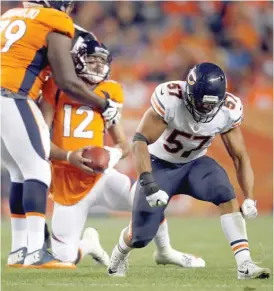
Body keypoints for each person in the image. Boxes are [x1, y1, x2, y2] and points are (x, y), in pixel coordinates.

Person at [41, 31, 205, 268]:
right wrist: (69, 156)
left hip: (100, 178)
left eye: (101, 62)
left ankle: (166, 251)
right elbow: (40, 140)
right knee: (64, 262)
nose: (97, 66)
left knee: (150, 197)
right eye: (91, 60)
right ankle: (89, 243)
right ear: (76, 60)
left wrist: (110, 156)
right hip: (67, 185)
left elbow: (123, 146)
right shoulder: (55, 87)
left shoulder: (110, 91)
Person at [108, 62, 271, 280]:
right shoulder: (171, 99)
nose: (205, 109)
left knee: (225, 192)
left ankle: (245, 264)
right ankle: (119, 253)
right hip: (159, 164)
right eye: (201, 103)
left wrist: (249, 198)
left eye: (211, 104)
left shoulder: (228, 110)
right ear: (189, 93)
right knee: (140, 236)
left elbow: (239, 156)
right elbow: (139, 141)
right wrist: (148, 181)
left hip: (195, 164)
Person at [1, 0, 120, 269]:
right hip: (12, 96)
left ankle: (19, 251)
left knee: (19, 173)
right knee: (37, 170)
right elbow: (66, 79)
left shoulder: (11, 14)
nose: (68, 11)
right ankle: (35, 253)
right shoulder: (55, 20)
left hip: (4, 92)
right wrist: (103, 103)